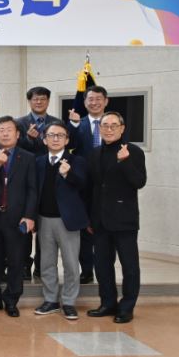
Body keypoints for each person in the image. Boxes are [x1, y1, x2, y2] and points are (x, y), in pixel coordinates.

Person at [87, 112, 146, 324]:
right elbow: (93, 188)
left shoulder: (133, 151)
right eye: (105, 125)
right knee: (102, 265)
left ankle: (127, 307)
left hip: (124, 219)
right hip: (100, 220)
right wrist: (90, 218)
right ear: (99, 128)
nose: (109, 129)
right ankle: (108, 303)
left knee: (129, 266)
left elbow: (139, 182)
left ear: (122, 128)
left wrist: (125, 161)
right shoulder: (94, 153)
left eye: (114, 125)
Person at [0, 116, 37, 318]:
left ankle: (11, 300)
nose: (4, 133)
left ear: (18, 134)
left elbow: (32, 190)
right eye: (1, 130)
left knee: (16, 261)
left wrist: (29, 216)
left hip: (17, 218)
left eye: (9, 130)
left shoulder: (28, 158)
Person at [34, 122, 89, 321]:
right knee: (46, 263)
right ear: (44, 139)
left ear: (67, 140)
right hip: (44, 219)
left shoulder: (77, 161)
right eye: (51, 135)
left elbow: (84, 185)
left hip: (68, 221)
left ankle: (68, 302)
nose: (55, 139)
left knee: (71, 264)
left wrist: (68, 174)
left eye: (60, 135)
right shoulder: (38, 162)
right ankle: (50, 300)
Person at [67, 85, 110, 284]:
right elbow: (69, 145)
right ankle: (86, 270)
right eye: (90, 99)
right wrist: (73, 125)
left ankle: (105, 268)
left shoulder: (113, 123)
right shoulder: (78, 123)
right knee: (85, 228)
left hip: (108, 185)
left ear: (106, 101)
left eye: (98, 99)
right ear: (84, 102)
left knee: (105, 227)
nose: (94, 102)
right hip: (83, 184)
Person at [16, 86, 60, 281]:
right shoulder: (19, 123)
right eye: (35, 99)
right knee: (25, 220)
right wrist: (28, 138)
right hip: (24, 179)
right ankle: (25, 265)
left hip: (47, 179)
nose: (39, 102)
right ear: (30, 101)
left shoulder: (56, 123)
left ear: (48, 101)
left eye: (43, 99)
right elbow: (14, 147)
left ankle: (42, 265)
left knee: (45, 225)